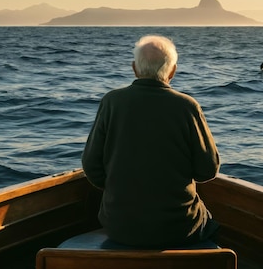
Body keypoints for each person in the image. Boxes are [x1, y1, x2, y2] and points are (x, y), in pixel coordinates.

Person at [82, 35, 220, 248]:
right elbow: (207, 170)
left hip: (119, 226)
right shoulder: (187, 107)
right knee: (211, 225)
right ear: (172, 71)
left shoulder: (111, 102)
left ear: (134, 68)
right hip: (179, 227)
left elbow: (91, 166)